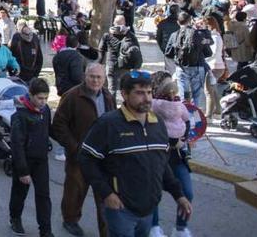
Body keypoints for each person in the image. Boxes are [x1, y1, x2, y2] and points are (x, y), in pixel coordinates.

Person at [79, 71, 192, 237]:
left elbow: (162, 164)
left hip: (148, 209)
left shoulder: (158, 124)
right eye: (139, 93)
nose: (146, 98)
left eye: (149, 92)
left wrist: (179, 195)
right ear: (124, 94)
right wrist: (107, 193)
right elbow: (86, 159)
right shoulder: (108, 123)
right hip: (121, 208)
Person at [50, 63, 115, 237]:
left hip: (103, 156)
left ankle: (106, 230)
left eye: (99, 77)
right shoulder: (72, 96)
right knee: (75, 190)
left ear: (104, 79)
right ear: (85, 76)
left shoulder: (108, 96)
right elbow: (58, 125)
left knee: (104, 195)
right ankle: (70, 220)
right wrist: (74, 147)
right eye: (92, 76)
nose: (95, 80)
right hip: (79, 155)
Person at [149, 72, 194, 237]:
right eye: (167, 86)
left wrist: (184, 137)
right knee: (154, 194)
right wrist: (172, 141)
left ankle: (180, 229)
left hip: (177, 158)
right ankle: (153, 228)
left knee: (187, 192)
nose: (172, 92)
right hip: (158, 157)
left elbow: (186, 121)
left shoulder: (177, 103)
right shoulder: (152, 106)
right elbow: (150, 130)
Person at [9, 78, 54, 237]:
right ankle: (15, 218)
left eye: (46, 98)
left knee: (43, 195)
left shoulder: (46, 110)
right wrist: (22, 171)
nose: (43, 102)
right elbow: (17, 145)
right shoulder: (20, 115)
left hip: (41, 160)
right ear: (30, 95)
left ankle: (45, 230)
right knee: (19, 193)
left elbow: (49, 130)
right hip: (24, 161)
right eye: (40, 98)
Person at [165, 12, 213, 108]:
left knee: (183, 94)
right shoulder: (199, 34)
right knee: (196, 95)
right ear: (190, 21)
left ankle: (185, 115)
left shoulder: (174, 35)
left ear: (178, 22)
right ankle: (195, 116)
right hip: (198, 66)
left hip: (181, 68)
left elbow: (168, 53)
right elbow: (208, 53)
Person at [99, 15, 142, 99]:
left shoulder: (107, 35)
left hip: (111, 65)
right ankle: (126, 108)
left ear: (114, 23)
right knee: (126, 88)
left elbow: (101, 50)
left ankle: (112, 108)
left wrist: (100, 64)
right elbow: (137, 49)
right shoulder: (130, 35)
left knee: (112, 89)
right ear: (124, 23)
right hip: (125, 65)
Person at [205, 16, 227, 119]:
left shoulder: (214, 37)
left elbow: (212, 53)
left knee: (208, 91)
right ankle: (218, 112)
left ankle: (208, 116)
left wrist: (203, 59)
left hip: (213, 66)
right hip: (218, 66)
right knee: (213, 90)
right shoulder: (217, 35)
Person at [156, 5, 181, 73]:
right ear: (178, 12)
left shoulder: (162, 23)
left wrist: (163, 48)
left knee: (170, 72)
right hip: (179, 50)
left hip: (167, 49)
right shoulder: (181, 23)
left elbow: (158, 37)